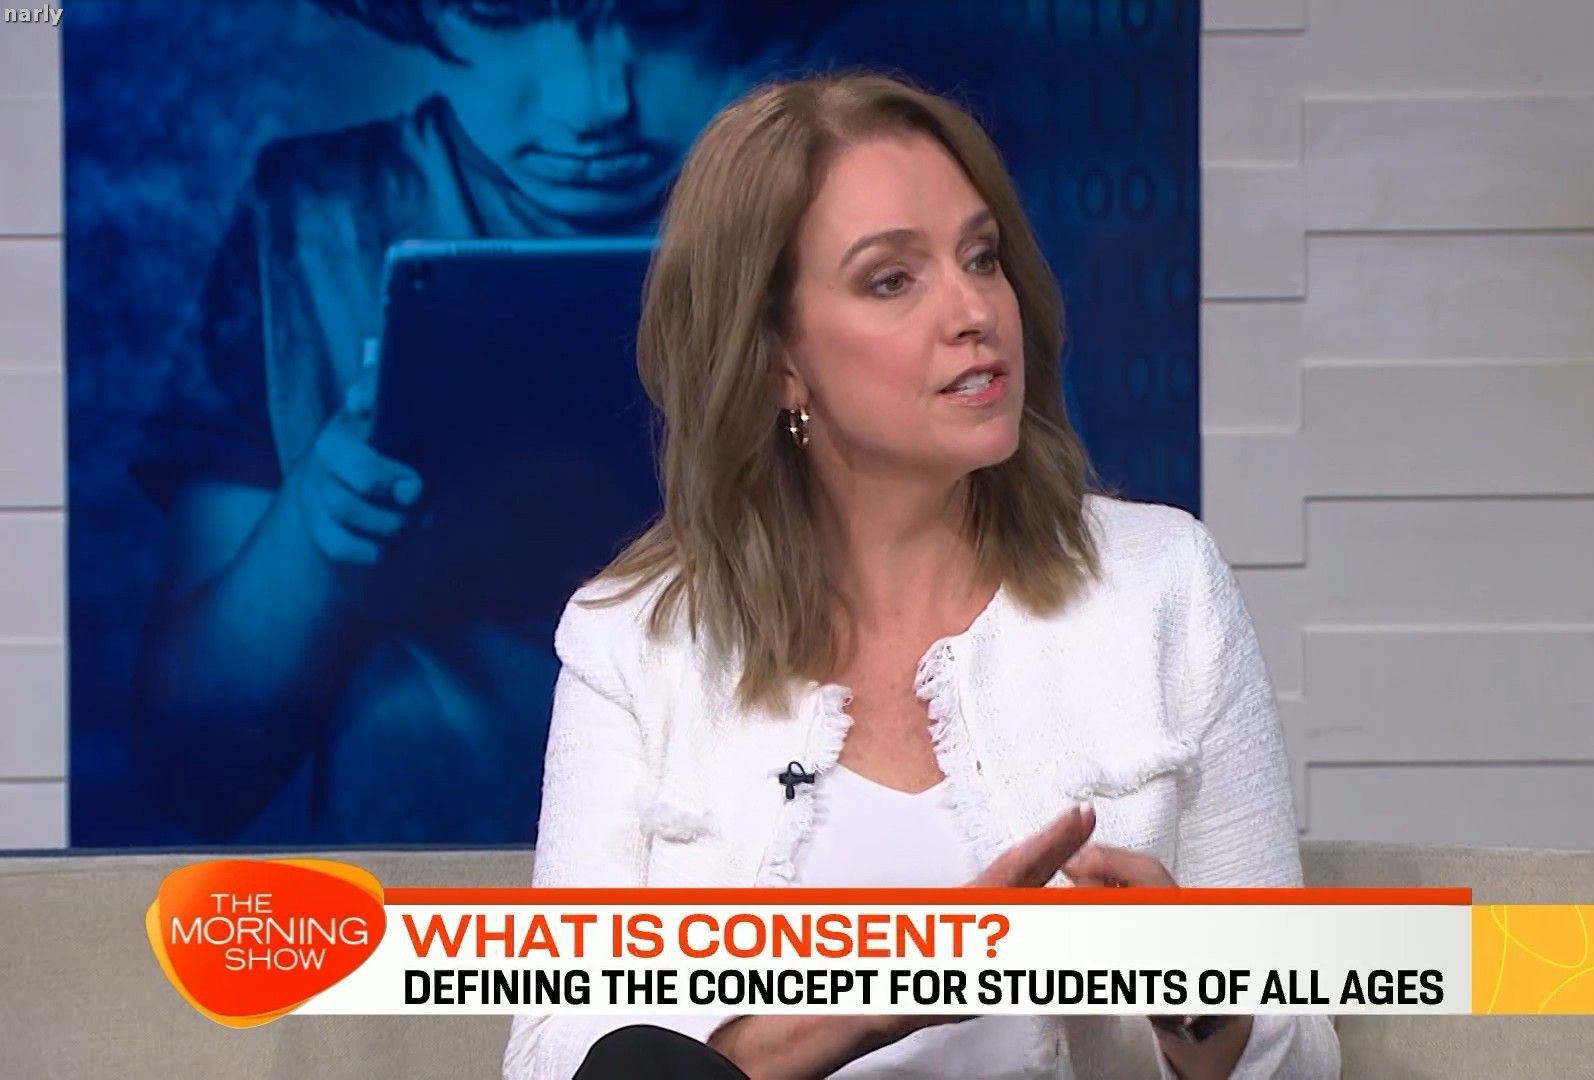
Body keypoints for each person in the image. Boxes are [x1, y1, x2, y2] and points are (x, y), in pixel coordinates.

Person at [504, 73, 1340, 1078]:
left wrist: (1206, 1008)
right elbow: (558, 1056)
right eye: (892, 280)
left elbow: (1304, 1059)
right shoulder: (633, 642)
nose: (974, 309)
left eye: (981, 258)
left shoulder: (1164, 585)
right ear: (776, 360)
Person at [127, 0, 842, 842]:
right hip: (420, 885)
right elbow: (192, 770)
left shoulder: (847, 216)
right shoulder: (313, 225)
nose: (591, 105)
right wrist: (319, 528)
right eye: (505, 17)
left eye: (662, 18)